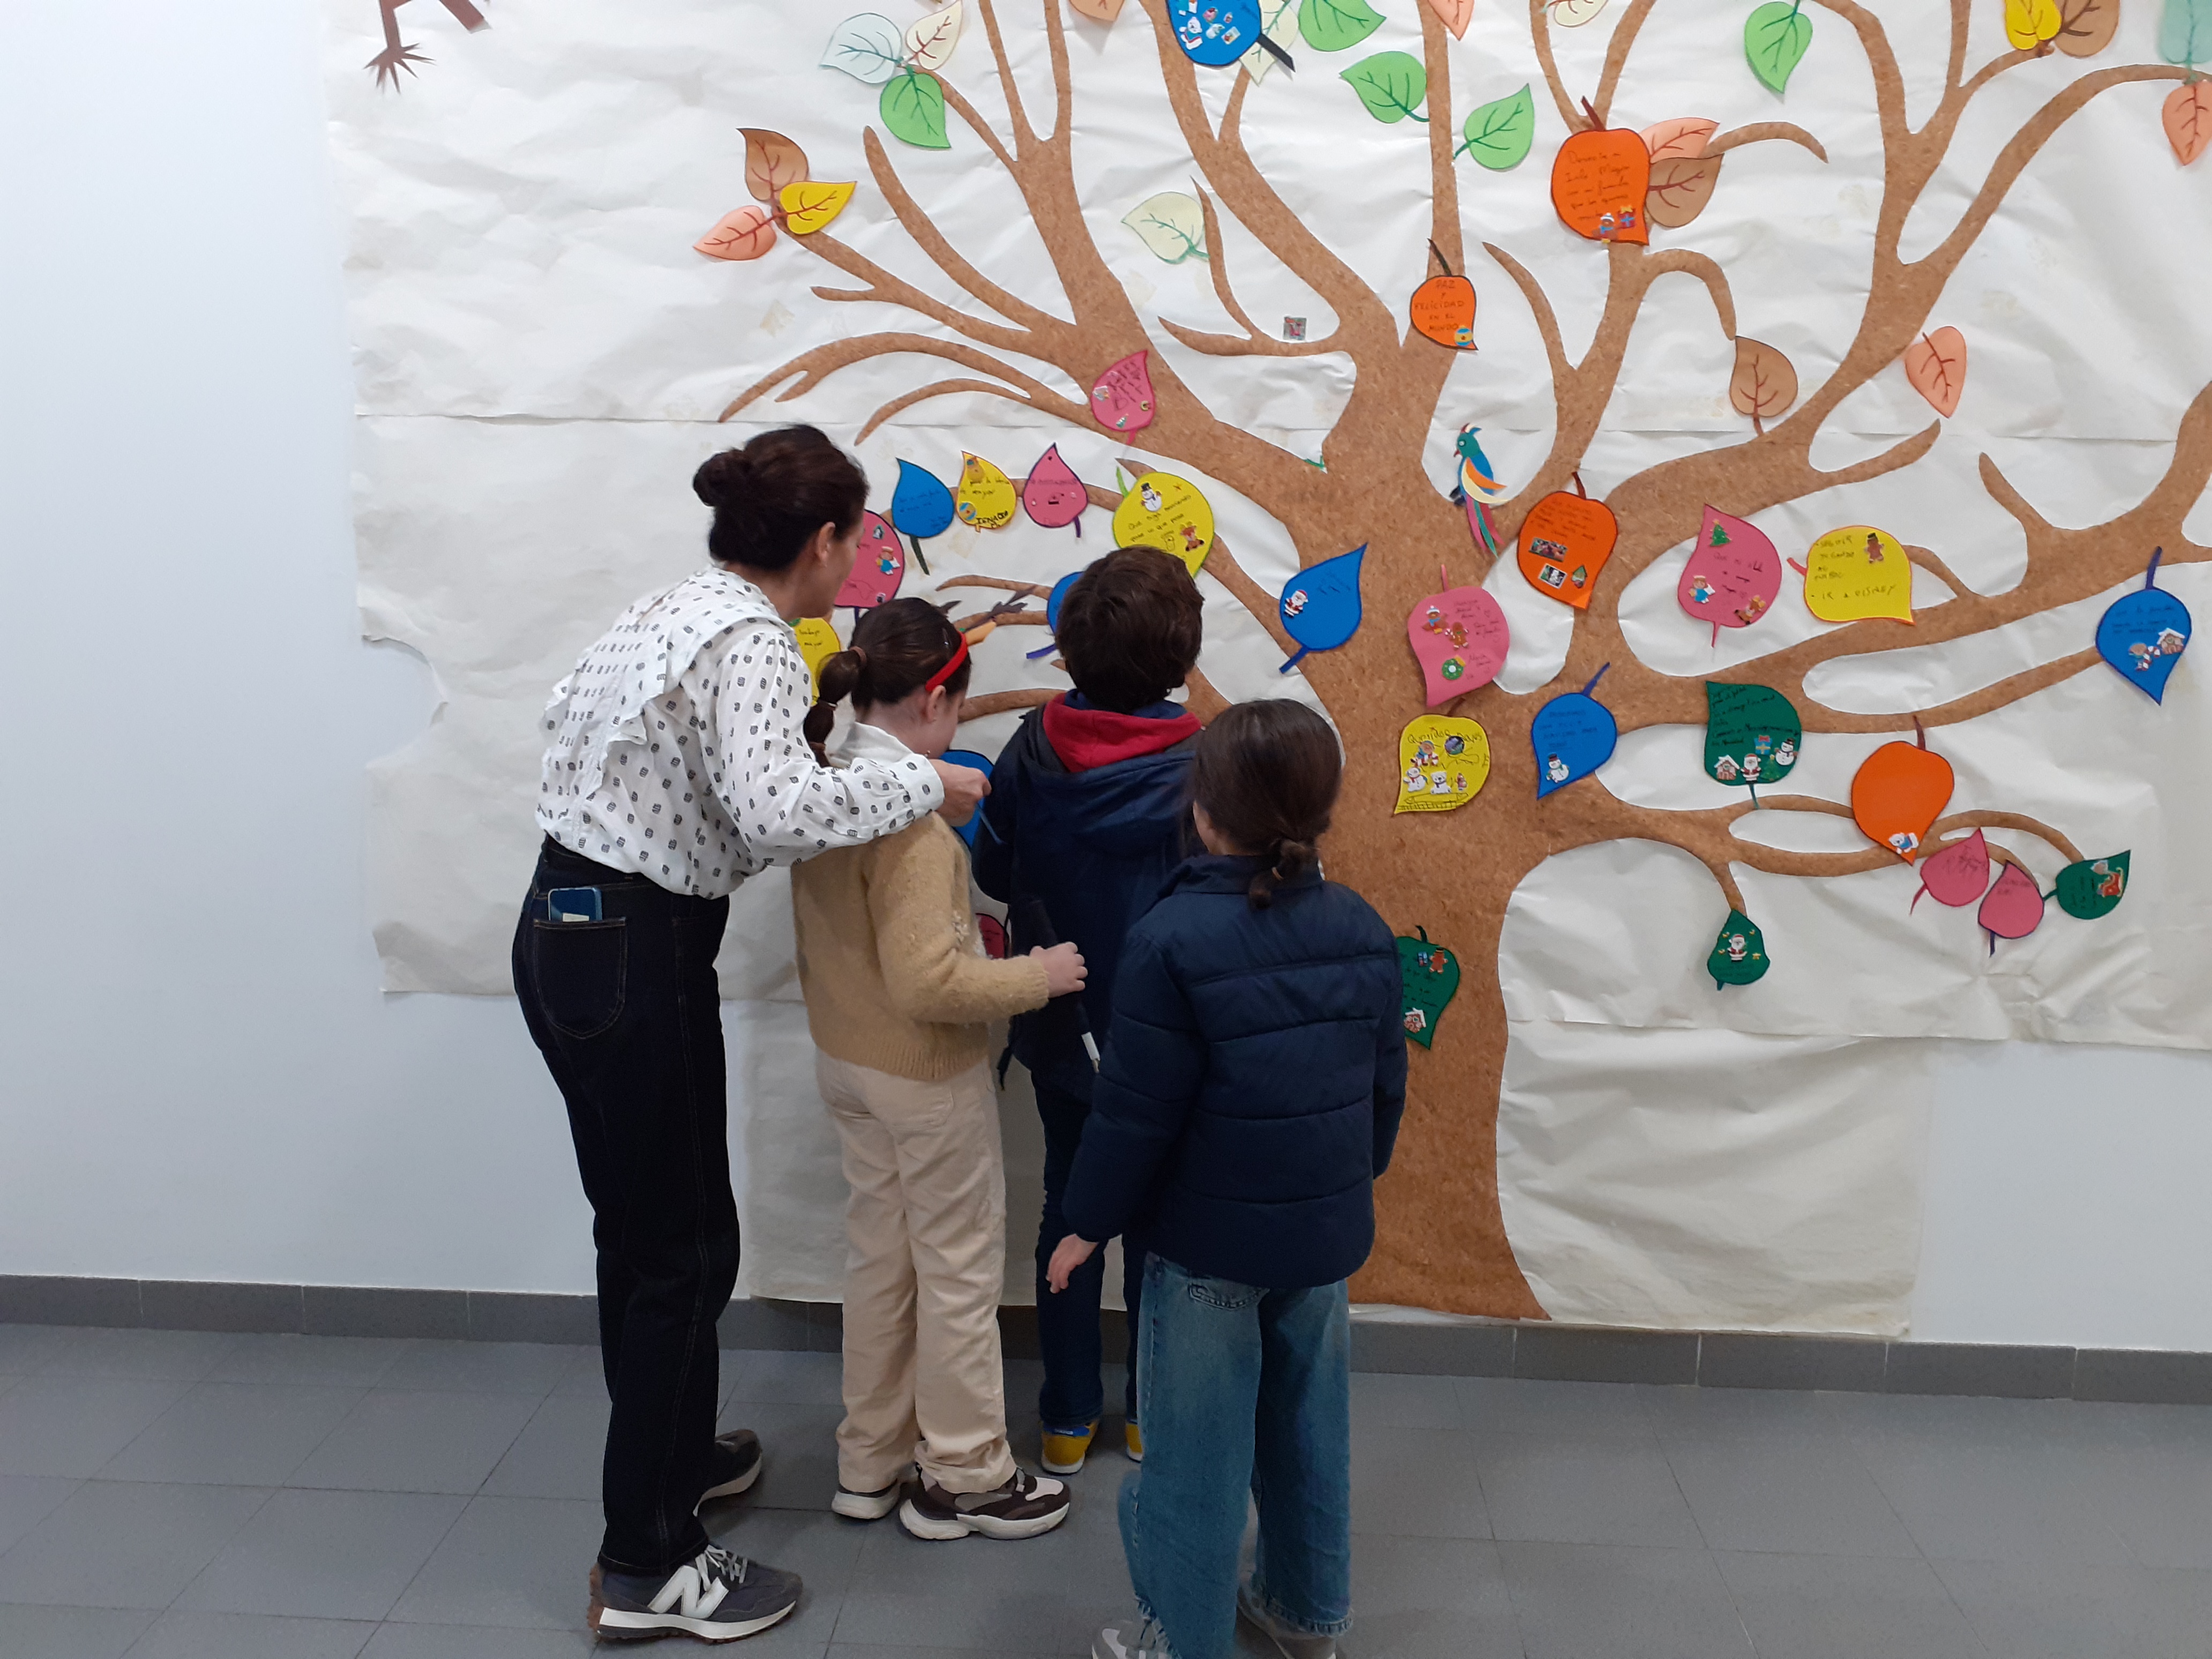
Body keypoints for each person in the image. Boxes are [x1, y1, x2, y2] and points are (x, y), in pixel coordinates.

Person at [513, 425, 989, 1645]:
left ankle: (669, 1463)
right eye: (855, 540)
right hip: (638, 949)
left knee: (644, 1232)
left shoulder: (673, 608)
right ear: (822, 542)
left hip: (565, 931)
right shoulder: (756, 639)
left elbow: (596, 737)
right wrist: (923, 784)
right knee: (683, 1252)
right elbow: (776, 813)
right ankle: (648, 1561)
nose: (859, 561)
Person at [1046, 700, 1407, 1659]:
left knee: (1194, 1465)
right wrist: (1345, 1184)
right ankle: (1303, 1614)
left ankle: (1181, 1642)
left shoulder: (1169, 939)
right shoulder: (1363, 926)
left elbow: (1135, 1113)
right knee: (1309, 1436)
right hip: (1322, 1242)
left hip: (1206, 1249)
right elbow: (1384, 1088)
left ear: (1203, 815)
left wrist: (1084, 1223)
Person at [788, 597, 1082, 1542]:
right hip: (920, 1076)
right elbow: (930, 982)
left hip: (848, 1065)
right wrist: (1040, 976)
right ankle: (965, 1472)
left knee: (881, 1262)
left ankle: (869, 1461)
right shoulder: (913, 827)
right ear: (935, 700)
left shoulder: (827, 786)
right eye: (958, 708)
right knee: (956, 1270)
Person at [970, 545, 1204, 1476]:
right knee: (1159, 1219)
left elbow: (992, 870)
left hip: (1060, 1017)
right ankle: (1149, 1414)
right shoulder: (1207, 763)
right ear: (1182, 653)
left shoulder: (1032, 746)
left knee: (1069, 1203)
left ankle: (1066, 1420)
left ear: (1068, 649)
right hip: (1169, 1034)